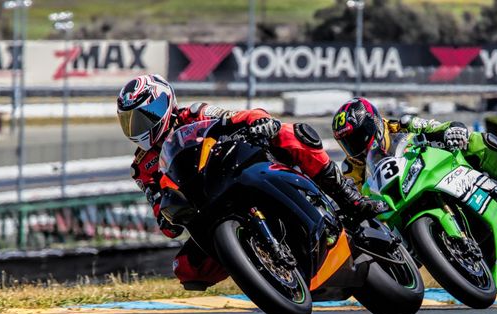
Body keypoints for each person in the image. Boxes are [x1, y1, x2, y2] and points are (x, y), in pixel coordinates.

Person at [116, 74, 382, 291]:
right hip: (203, 209)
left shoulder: (195, 113)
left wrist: (259, 121)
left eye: (143, 117)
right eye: (129, 121)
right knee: (186, 269)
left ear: (163, 105)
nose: (137, 127)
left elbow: (235, 116)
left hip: (234, 169)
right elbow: (159, 207)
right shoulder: (141, 167)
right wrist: (166, 215)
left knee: (290, 133)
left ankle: (347, 195)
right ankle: (256, 264)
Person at [331, 97, 497, 219]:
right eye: (348, 142)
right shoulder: (351, 170)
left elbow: (435, 127)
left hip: (436, 176)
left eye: (359, 136)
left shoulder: (402, 125)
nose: (356, 146)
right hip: (397, 212)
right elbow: (353, 201)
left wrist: (452, 131)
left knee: (481, 142)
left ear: (375, 123)